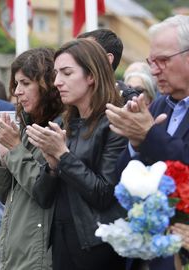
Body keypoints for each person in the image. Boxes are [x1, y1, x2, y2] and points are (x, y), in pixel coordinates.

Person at [28, 39, 127, 270]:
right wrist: (52, 167)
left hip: (99, 245)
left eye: (67, 73)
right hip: (62, 241)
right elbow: (42, 197)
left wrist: (63, 156)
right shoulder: (63, 122)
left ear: (91, 76)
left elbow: (104, 193)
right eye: (56, 73)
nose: (57, 82)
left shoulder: (115, 122)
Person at [106, 15, 189, 270]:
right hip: (144, 255)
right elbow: (120, 178)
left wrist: (148, 135)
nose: (154, 70)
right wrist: (134, 142)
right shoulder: (159, 104)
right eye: (150, 62)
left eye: (163, 60)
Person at [0, 48, 63, 269]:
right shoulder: (27, 123)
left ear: (47, 85)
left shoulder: (58, 128)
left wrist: (14, 148)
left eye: (26, 83)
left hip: (38, 252)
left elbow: (42, 190)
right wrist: (4, 159)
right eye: (16, 84)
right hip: (16, 248)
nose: (18, 92)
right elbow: (4, 194)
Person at [78, 29, 140, 103]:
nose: (77, 59)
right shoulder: (72, 96)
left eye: (85, 54)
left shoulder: (128, 102)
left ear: (107, 59)